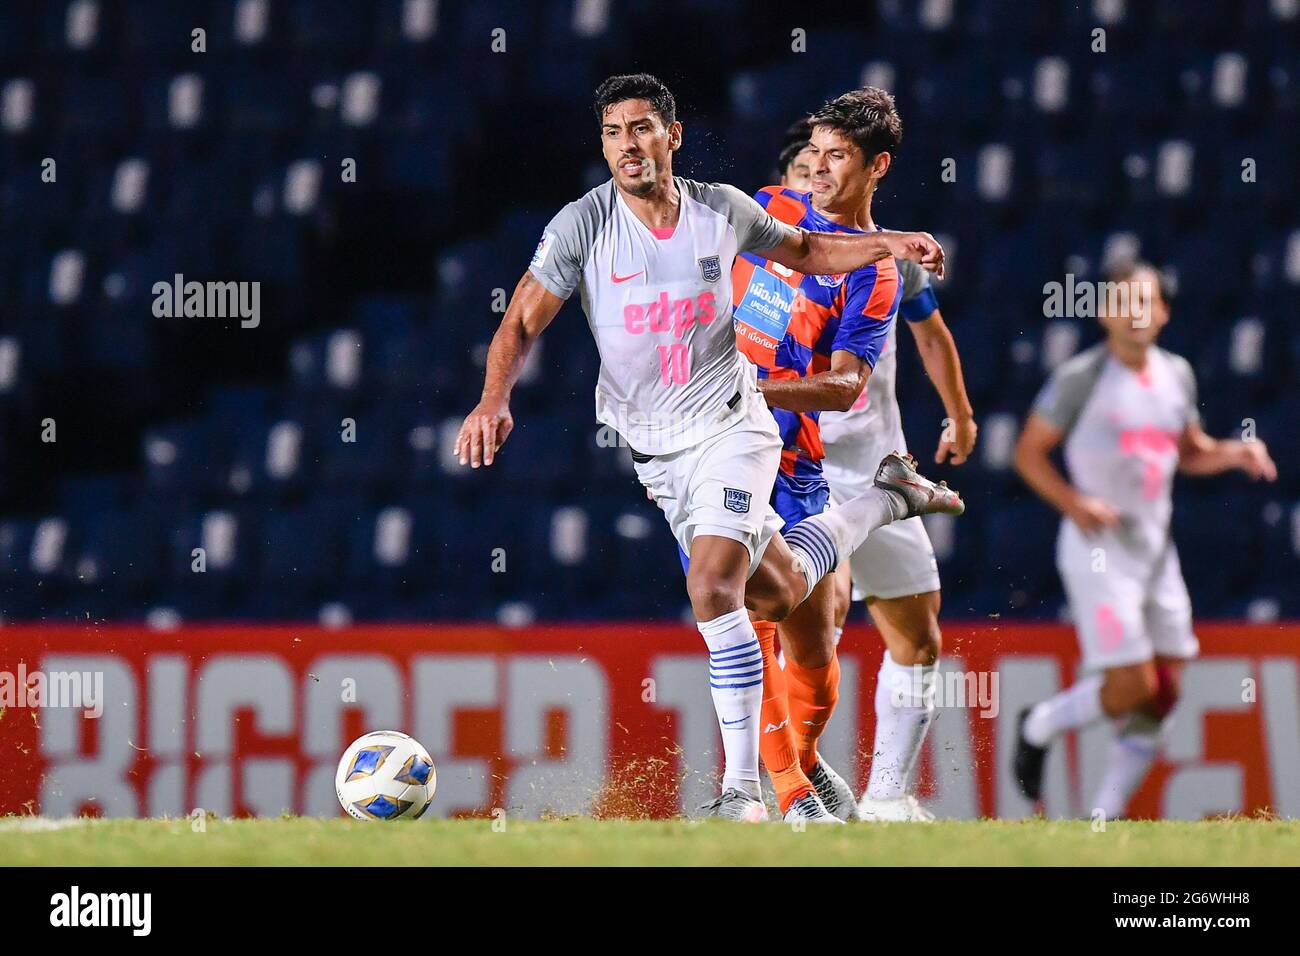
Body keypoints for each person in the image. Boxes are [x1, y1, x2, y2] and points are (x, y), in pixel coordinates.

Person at [454, 73, 963, 823]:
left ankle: (749, 795)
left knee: (746, 610)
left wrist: (891, 244)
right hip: (661, 453)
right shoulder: (606, 222)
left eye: (642, 129)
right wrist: (493, 398)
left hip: (749, 430)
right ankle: (888, 503)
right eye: (614, 133)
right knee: (773, 591)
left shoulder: (738, 217)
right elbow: (523, 322)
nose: (629, 146)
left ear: (672, 136)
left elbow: (824, 272)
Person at [1011, 260, 1276, 818]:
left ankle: (1102, 819)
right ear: (1104, 312)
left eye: (1147, 302)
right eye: (1124, 301)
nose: (1136, 313)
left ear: (1164, 312)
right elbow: (1028, 454)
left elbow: (1189, 451)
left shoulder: (1177, 374)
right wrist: (1075, 502)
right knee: (1132, 687)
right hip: (1098, 550)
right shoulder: (1081, 378)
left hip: (1156, 550)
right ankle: (1038, 724)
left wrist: (1237, 452)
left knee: (1168, 684)